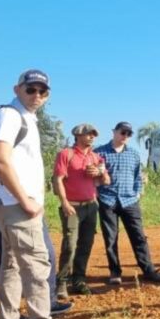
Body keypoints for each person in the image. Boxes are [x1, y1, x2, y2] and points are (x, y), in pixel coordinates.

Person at [0, 69, 80, 319]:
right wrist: (25, 199)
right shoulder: (8, 116)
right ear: (17, 89)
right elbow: (0, 160)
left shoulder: (27, 118)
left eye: (43, 91)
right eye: (31, 89)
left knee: (12, 265)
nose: (37, 95)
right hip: (16, 203)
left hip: (13, 203)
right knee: (38, 263)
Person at [95, 122, 160, 286]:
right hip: (107, 200)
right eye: (122, 132)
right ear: (114, 132)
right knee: (111, 238)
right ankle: (115, 272)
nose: (125, 136)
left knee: (139, 237)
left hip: (130, 201)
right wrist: (98, 194)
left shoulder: (134, 154)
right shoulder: (99, 152)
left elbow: (138, 176)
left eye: (128, 134)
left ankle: (148, 270)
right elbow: (92, 177)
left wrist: (137, 192)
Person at [53, 123, 109, 297]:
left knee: (86, 244)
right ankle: (62, 281)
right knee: (70, 245)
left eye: (94, 134)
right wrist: (64, 202)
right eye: (88, 134)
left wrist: (99, 174)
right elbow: (58, 180)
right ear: (77, 135)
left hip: (91, 206)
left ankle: (79, 280)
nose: (92, 137)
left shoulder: (96, 157)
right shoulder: (66, 154)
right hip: (72, 207)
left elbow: (106, 181)